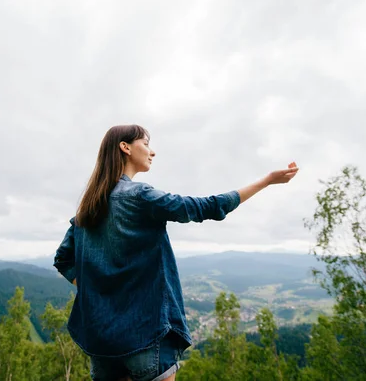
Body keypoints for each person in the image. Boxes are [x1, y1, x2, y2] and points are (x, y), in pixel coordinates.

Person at [53, 124, 299, 381]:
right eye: (146, 143)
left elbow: (63, 259)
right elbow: (207, 207)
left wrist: (99, 291)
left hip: (102, 342)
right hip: (146, 334)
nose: (152, 151)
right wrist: (267, 181)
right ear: (125, 147)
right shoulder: (140, 196)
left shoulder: (87, 208)